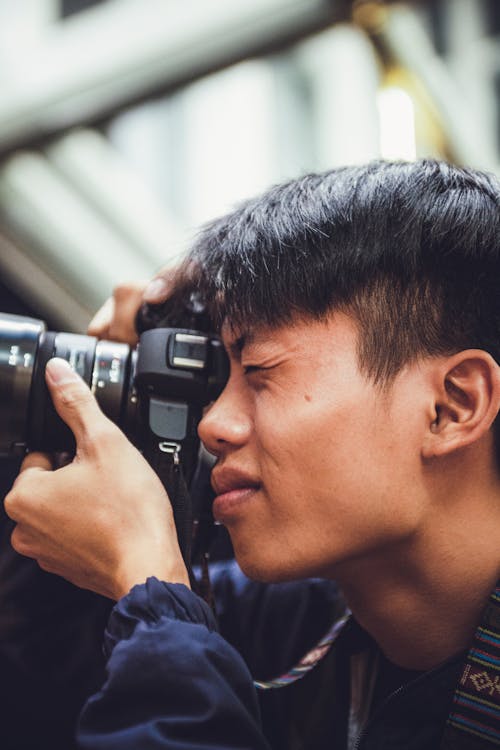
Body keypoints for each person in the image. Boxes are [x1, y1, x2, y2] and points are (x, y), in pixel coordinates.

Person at [3, 159, 500, 749]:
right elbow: (55, 657)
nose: (214, 423)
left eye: (260, 371)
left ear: (451, 406)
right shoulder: (311, 623)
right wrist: (114, 438)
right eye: (220, 376)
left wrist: (154, 592)